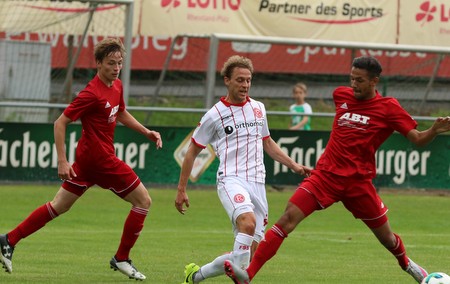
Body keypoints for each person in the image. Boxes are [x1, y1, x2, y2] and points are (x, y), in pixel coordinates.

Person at [224, 56, 450, 283]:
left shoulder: (388, 108)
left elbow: (417, 139)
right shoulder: (341, 95)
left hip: (358, 184)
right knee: (287, 219)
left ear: (374, 81)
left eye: (359, 80)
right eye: (352, 78)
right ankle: (248, 275)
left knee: (388, 239)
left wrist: (434, 130)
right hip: (325, 176)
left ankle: (408, 265)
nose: (353, 84)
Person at [0, 38, 163, 280]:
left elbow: (120, 112)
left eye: (119, 63)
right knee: (143, 201)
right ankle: (121, 258)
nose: (116, 68)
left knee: (59, 206)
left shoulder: (116, 86)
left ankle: (8, 240)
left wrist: (146, 131)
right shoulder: (91, 93)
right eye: (111, 63)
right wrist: (62, 161)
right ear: (98, 63)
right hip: (101, 161)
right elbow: (60, 122)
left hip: (88, 161)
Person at [175, 55, 311, 284]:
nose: (245, 85)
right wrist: (181, 189)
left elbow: (267, 142)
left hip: (257, 182)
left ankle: (195, 275)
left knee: (246, 259)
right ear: (227, 80)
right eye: (240, 80)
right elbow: (192, 151)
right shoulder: (214, 114)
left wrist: (294, 165)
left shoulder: (258, 109)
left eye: (248, 80)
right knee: (247, 223)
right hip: (231, 179)